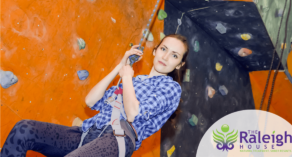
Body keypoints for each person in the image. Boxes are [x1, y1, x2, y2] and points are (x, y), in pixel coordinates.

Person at [0, 34, 189, 157]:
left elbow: (133, 114)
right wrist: (119, 67)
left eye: (174, 56)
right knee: (24, 129)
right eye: (163, 49)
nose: (165, 57)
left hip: (117, 139)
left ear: (179, 65)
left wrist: (127, 77)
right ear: (155, 51)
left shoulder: (171, 88)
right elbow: (90, 101)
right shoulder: (133, 79)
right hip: (86, 132)